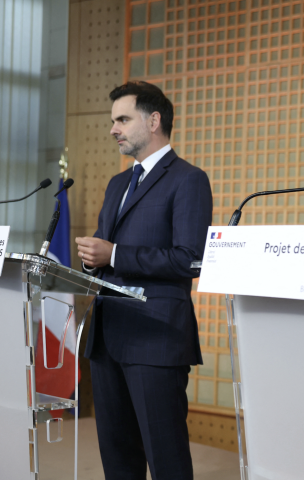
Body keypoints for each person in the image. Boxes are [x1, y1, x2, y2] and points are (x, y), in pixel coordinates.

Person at [76, 81, 213, 480]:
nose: (113, 129)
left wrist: (114, 254)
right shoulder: (118, 183)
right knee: (118, 460)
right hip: (107, 340)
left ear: (153, 121)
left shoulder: (188, 179)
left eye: (122, 119)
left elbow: (191, 259)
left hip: (156, 339)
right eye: (112, 120)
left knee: (166, 459)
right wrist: (90, 263)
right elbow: (105, 256)